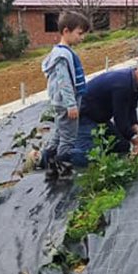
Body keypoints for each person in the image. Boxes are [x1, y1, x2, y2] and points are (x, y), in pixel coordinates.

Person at [62, 60, 138, 167]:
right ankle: (56, 154)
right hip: (83, 116)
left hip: (100, 117)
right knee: (88, 158)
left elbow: (131, 109)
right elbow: (120, 120)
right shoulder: (122, 85)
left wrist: (137, 131)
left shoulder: (136, 83)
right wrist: (136, 141)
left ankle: (94, 148)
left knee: (122, 146)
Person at [40, 11, 90, 179]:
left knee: (59, 134)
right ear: (66, 31)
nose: (82, 38)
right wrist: (71, 104)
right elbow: (64, 82)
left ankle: (51, 167)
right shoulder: (62, 55)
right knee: (68, 138)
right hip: (66, 103)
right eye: (80, 33)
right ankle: (63, 170)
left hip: (62, 103)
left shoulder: (63, 52)